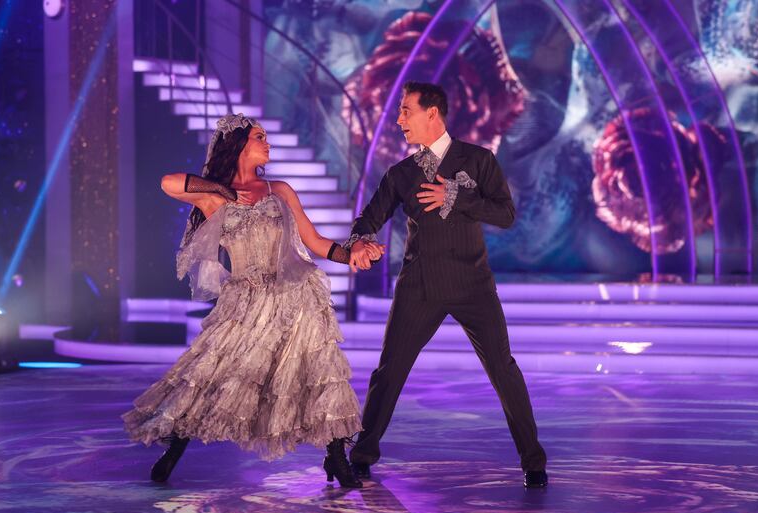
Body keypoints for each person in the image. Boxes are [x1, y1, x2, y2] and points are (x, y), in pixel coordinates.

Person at [122, 114, 384, 488]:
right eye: (260, 137)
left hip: (295, 297)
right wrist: (224, 191)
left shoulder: (280, 190)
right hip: (244, 301)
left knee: (316, 376)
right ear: (240, 145)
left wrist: (353, 251)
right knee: (209, 375)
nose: (268, 143)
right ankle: (176, 447)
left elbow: (315, 242)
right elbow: (168, 182)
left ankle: (336, 456)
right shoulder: (213, 197)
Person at [345, 81, 548, 488]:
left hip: (473, 283)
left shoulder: (478, 160)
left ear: (431, 113)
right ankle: (363, 453)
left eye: (406, 110)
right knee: (389, 372)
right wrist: (361, 241)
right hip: (419, 285)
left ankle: (534, 461)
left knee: (503, 370)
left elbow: (506, 214)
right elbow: (368, 218)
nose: (399, 119)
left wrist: (457, 197)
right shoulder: (400, 174)